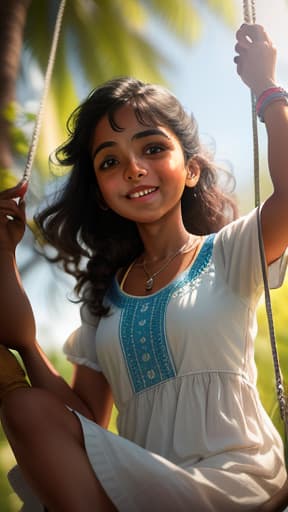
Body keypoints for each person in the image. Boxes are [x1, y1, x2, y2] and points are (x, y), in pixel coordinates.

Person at [0, 22, 287, 512]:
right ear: (102, 195)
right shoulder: (104, 300)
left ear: (190, 169)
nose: (133, 168)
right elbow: (87, 420)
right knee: (23, 403)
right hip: (146, 484)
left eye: (153, 148)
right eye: (110, 162)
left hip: (237, 478)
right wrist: (10, 285)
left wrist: (266, 89)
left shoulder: (229, 251)